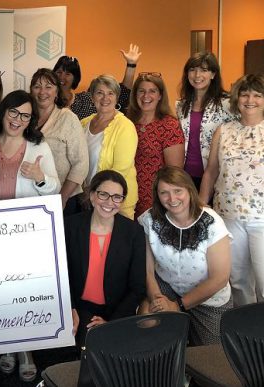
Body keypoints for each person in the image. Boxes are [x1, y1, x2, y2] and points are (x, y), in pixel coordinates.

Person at [0, 90, 58, 382]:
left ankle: (26, 349)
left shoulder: (38, 145)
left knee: (22, 294)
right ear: (3, 112)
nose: (17, 120)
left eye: (25, 115)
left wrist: (39, 177)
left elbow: (53, 186)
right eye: (13, 113)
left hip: (22, 232)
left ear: (31, 120)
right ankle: (7, 345)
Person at [140, 166, 231, 345]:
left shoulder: (212, 222)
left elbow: (220, 278)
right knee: (146, 322)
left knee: (213, 358)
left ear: (189, 190)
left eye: (177, 191)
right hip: (167, 289)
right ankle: (164, 367)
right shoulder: (150, 219)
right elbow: (148, 270)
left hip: (208, 298)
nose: (172, 199)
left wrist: (177, 306)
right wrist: (157, 300)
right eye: (164, 192)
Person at [200, 73, 264, 306]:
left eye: (258, 95)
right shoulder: (224, 130)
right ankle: (248, 337)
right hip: (228, 216)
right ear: (237, 98)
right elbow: (211, 171)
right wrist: (201, 206)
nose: (250, 100)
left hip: (261, 219)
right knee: (238, 281)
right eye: (245, 94)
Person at [65, 170, 146, 349]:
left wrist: (112, 321)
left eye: (117, 197)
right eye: (103, 194)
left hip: (116, 311)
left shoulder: (134, 232)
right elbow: (61, 273)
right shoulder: (70, 226)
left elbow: (138, 287)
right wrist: (69, 307)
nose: (110, 202)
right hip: (78, 308)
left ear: (122, 201)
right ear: (92, 195)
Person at [29, 69, 88, 214]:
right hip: (33, 196)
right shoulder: (26, 117)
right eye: (37, 86)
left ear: (57, 92)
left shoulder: (68, 118)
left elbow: (81, 163)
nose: (42, 92)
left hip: (64, 199)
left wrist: (62, 198)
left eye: (48, 87)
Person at [80, 75, 138, 219]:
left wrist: (95, 192)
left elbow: (121, 169)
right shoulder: (83, 124)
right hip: (86, 199)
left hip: (116, 202)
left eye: (110, 93)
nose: (105, 98)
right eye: (100, 93)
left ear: (116, 98)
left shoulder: (125, 126)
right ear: (92, 97)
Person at [127, 72, 184, 216]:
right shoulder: (127, 123)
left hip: (155, 200)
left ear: (160, 95)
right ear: (135, 95)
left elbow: (174, 172)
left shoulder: (169, 125)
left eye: (152, 91)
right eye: (141, 91)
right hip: (125, 196)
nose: (146, 96)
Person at [177, 52, 233, 189]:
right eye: (192, 70)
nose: (197, 75)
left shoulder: (227, 104)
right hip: (185, 176)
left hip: (216, 176)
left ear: (213, 74)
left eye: (204, 70)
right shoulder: (181, 105)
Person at [53, 44, 141, 120]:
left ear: (75, 78)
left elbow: (123, 93)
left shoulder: (87, 99)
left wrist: (131, 65)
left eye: (67, 74)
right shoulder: (47, 101)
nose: (62, 77)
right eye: (59, 72)